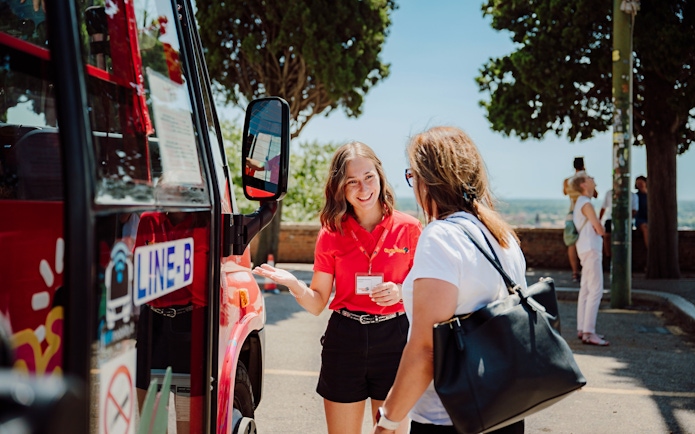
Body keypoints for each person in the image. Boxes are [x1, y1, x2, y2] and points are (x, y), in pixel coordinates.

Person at [253, 141, 422, 434]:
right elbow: (318, 302)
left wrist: (400, 291)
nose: (363, 187)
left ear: (380, 176)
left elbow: (424, 290)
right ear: (340, 188)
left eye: (369, 176)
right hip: (346, 339)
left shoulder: (410, 229)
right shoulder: (331, 233)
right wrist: (294, 284)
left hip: (395, 338)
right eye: (351, 181)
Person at [371, 126, 526, 434]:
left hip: (451, 417)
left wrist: (387, 422)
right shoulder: (502, 236)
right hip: (505, 409)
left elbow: (427, 348)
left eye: (412, 176)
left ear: (429, 181)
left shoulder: (441, 237)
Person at [570, 172, 609, 346]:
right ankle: (589, 332)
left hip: (584, 247)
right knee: (596, 290)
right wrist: (601, 230)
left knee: (586, 290)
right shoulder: (586, 203)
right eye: (589, 178)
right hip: (592, 248)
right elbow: (599, 228)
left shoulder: (579, 202)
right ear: (583, 185)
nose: (593, 178)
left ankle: (582, 328)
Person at [562, 157, 591, 282]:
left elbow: (564, 192)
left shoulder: (567, 181)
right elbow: (594, 194)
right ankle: (587, 271)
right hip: (585, 213)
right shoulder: (586, 179)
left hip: (571, 213)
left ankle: (575, 273)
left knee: (571, 244)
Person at [599, 188, 638, 258]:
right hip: (610, 219)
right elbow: (603, 207)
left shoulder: (633, 196)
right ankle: (608, 257)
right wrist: (599, 221)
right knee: (607, 236)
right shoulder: (609, 193)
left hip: (626, 220)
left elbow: (634, 210)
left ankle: (626, 257)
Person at [634, 175, 648, 250]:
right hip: (640, 220)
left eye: (641, 183)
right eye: (637, 183)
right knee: (645, 228)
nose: (639, 185)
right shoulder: (636, 196)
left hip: (650, 219)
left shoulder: (651, 195)